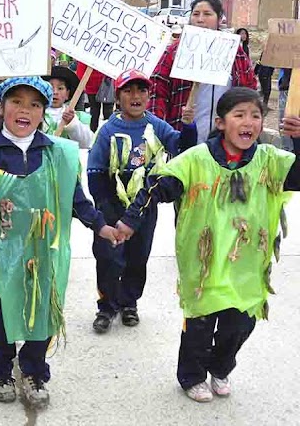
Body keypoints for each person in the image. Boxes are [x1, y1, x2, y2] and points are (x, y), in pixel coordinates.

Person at [116, 88, 300, 403]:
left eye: (256, 115)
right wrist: (130, 221)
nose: (249, 122)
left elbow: (296, 178)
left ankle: (221, 366)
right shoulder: (197, 159)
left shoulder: (269, 159)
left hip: (247, 265)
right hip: (203, 264)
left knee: (241, 323)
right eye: (239, 114)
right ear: (220, 122)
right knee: (200, 325)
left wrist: (298, 140)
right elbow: (157, 186)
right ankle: (191, 375)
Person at [0, 76, 120, 407]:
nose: (24, 110)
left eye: (34, 104)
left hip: (44, 252)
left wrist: (101, 226)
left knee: (40, 312)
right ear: (2, 108)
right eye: (16, 102)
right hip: (0, 251)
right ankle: (0, 371)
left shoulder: (58, 152)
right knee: (0, 316)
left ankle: (34, 371)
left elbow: (75, 199)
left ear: (44, 111)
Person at [87, 70, 196, 333]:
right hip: (113, 203)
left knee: (138, 255)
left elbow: (183, 149)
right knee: (109, 256)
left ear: (149, 95)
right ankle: (106, 305)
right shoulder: (108, 130)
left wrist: (188, 125)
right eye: (128, 91)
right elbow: (95, 170)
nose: (135, 96)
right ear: (118, 96)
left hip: (145, 204)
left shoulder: (157, 126)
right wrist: (103, 204)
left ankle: (129, 302)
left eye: (141, 91)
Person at [150, 0, 256, 143]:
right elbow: (156, 90)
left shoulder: (234, 52)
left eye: (207, 14)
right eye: (195, 14)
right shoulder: (174, 51)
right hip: (181, 134)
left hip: (225, 140)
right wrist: (159, 127)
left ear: (219, 19)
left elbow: (249, 88)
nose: (200, 19)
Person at [42, 65, 94, 148]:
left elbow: (88, 143)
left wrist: (73, 123)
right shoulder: (36, 113)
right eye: (50, 87)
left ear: (67, 94)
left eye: (60, 88)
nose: (55, 92)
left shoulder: (78, 117)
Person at [77, 62, 114, 132]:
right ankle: (108, 132)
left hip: (100, 85)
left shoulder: (87, 55)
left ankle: (94, 132)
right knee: (105, 111)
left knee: (96, 112)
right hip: (104, 85)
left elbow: (80, 72)